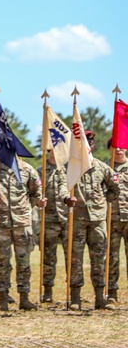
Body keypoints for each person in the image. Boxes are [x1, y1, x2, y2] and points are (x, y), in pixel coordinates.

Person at [0, 149, 44, 311]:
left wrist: (24, 209)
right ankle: (2, 298)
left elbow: (36, 193)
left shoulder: (28, 170)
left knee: (24, 262)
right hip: (1, 224)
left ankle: (24, 298)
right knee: (2, 262)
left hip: (22, 224)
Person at [64, 131, 119, 310]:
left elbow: (114, 187)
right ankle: (75, 298)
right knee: (75, 259)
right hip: (77, 219)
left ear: (93, 146)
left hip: (97, 220)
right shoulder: (70, 167)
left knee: (99, 258)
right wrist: (66, 199)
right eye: (84, 143)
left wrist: (103, 202)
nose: (88, 145)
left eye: (91, 143)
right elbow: (60, 188)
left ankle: (99, 297)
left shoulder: (102, 168)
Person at [40, 148, 69, 303]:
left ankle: (73, 291)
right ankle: (47, 291)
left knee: (72, 257)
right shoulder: (40, 172)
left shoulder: (70, 169)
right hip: (49, 220)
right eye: (51, 149)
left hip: (67, 219)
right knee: (48, 258)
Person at [106, 140, 127, 302]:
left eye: (121, 146)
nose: (119, 149)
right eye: (115, 147)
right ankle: (112, 292)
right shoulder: (104, 169)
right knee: (112, 257)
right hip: (110, 219)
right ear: (109, 150)